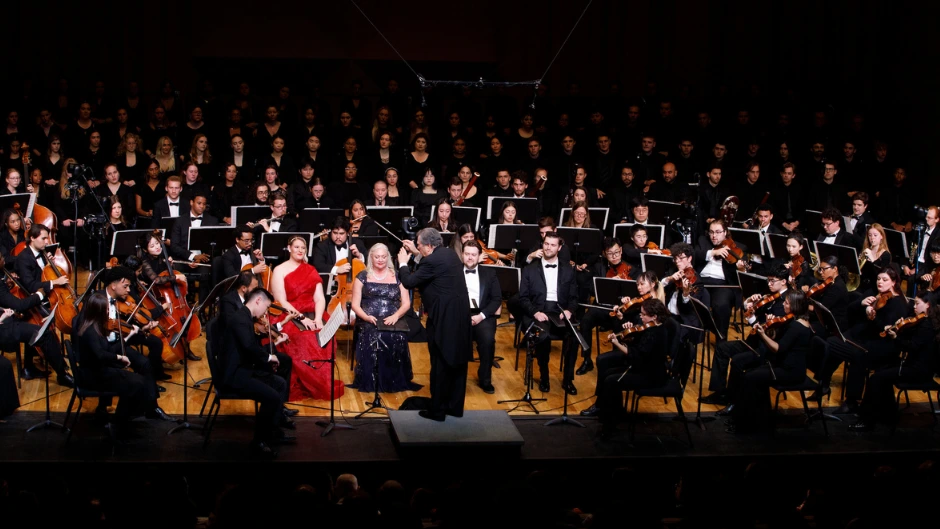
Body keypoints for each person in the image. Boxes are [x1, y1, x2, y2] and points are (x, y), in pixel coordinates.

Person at [73, 291, 170, 440]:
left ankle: (122, 420)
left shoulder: (95, 327)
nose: (108, 313)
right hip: (93, 376)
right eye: (106, 310)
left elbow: (109, 349)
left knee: (139, 382)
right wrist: (119, 357)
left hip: (100, 370)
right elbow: (101, 355)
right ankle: (118, 423)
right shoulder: (90, 332)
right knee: (136, 384)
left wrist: (128, 337)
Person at [397, 228, 471, 420]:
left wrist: (403, 263)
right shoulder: (449, 254)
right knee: (458, 363)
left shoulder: (431, 261)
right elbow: (431, 265)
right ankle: (454, 408)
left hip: (443, 320)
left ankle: (437, 411)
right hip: (460, 318)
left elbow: (409, 281)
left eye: (419, 245)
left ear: (429, 246)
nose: (418, 248)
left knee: (440, 363)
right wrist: (417, 253)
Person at [211, 287, 291, 459]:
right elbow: (249, 347)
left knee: (280, 383)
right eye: (266, 307)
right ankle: (259, 442)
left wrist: (268, 359)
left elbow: (251, 347)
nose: (265, 313)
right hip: (234, 376)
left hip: (244, 369)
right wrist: (269, 358)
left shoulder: (245, 317)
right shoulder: (240, 319)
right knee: (272, 397)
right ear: (258, 301)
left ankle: (272, 432)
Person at [815, 268, 909, 414]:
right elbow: (849, 310)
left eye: (885, 280)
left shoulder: (897, 304)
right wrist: (862, 304)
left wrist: (872, 316)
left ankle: (848, 399)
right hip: (861, 337)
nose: (880, 282)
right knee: (831, 343)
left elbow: (885, 331)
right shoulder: (875, 293)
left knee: (849, 352)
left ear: (894, 282)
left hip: (878, 345)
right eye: (878, 279)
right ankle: (824, 384)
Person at [700, 263, 791, 407]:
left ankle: (733, 400)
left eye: (772, 281)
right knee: (722, 348)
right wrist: (748, 303)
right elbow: (751, 314)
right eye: (768, 280)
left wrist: (752, 318)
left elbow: (768, 331)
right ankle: (720, 393)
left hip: (765, 349)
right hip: (753, 341)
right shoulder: (770, 295)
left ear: (784, 281)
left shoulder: (786, 303)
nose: (769, 284)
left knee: (738, 360)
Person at [850, 291, 940, 431]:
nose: (914, 306)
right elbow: (911, 340)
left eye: (917, 303)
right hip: (914, 365)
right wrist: (900, 328)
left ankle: (866, 420)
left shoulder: (927, 326)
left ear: (928, 305)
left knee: (876, 378)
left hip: (918, 371)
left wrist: (895, 337)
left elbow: (911, 347)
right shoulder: (923, 321)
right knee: (882, 370)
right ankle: (888, 414)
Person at [269, 236, 345, 401]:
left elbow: (319, 298)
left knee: (325, 336)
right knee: (305, 338)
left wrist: (317, 318)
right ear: (289, 248)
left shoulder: (311, 269)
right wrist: (302, 318)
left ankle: (322, 382)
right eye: (296, 247)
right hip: (289, 313)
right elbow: (281, 301)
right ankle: (306, 383)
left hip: (313, 312)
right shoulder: (279, 270)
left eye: (303, 248)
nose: (300, 250)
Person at [726, 290, 814, 434]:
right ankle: (758, 419)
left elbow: (778, 348)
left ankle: (745, 423)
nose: (784, 304)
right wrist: (771, 328)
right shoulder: (795, 321)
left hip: (790, 371)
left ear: (795, 306)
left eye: (787, 303)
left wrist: (762, 334)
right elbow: (780, 342)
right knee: (751, 373)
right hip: (785, 366)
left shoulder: (797, 327)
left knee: (750, 377)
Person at [349, 243, 421, 393]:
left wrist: (395, 316)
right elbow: (355, 305)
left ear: (388, 257)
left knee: (397, 336)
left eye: (383, 256)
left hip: (393, 318)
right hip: (369, 319)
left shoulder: (398, 276)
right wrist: (366, 317)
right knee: (374, 335)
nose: (380, 260)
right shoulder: (362, 276)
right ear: (371, 257)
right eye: (377, 257)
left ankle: (393, 380)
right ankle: (373, 379)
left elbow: (406, 303)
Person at [517, 231, 580, 395]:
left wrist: (569, 310)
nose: (548, 248)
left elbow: (574, 298)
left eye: (553, 245)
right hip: (538, 311)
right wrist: (535, 312)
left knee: (574, 337)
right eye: (546, 244)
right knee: (542, 336)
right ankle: (544, 376)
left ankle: (568, 379)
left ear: (559, 248)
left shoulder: (568, 269)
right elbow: (523, 298)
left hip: (560, 312)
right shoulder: (530, 269)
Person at [597, 298, 670, 437]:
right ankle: (615, 414)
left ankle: (609, 426)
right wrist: (628, 334)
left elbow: (636, 355)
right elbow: (638, 346)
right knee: (608, 373)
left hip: (652, 376)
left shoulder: (655, 333)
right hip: (644, 368)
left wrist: (617, 343)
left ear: (654, 316)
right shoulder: (651, 328)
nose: (640, 317)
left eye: (643, 314)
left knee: (611, 381)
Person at [0, 253, 72, 386]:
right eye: (1, 258)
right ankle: (62, 375)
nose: (3, 259)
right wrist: (39, 295)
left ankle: (28, 367)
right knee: (44, 334)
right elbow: (19, 305)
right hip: (4, 328)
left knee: (29, 319)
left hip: (5, 318)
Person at [461, 240, 501, 394]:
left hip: (483, 314)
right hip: (460, 315)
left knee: (488, 341)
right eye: (467, 254)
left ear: (479, 256)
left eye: (473, 254)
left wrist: (481, 316)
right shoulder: (454, 273)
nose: (470, 257)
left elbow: (496, 299)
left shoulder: (490, 274)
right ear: (462, 254)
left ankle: (485, 379)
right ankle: (457, 380)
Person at [857, 223, 892, 297]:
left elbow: (881, 275)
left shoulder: (886, 255)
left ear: (881, 236)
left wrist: (872, 259)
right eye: (870, 235)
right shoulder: (866, 250)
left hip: (874, 287)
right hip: (861, 284)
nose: (872, 238)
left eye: (875, 235)